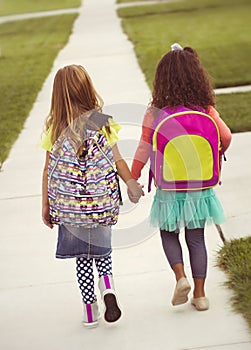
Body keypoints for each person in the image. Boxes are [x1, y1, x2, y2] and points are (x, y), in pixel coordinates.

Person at [131, 44, 232, 311]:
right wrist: (218, 153)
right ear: (197, 76)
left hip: (169, 186)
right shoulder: (205, 108)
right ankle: (200, 295)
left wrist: (133, 175)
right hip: (199, 186)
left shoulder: (154, 112)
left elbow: (143, 147)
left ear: (161, 80)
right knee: (196, 238)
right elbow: (226, 137)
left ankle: (180, 277)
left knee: (168, 233)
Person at [41, 64, 142, 327]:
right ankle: (107, 287)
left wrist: (46, 205)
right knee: (102, 252)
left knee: (82, 259)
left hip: (69, 208)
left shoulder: (54, 128)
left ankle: (89, 312)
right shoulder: (102, 122)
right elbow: (117, 159)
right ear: (87, 90)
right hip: (100, 204)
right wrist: (131, 183)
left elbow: (48, 171)